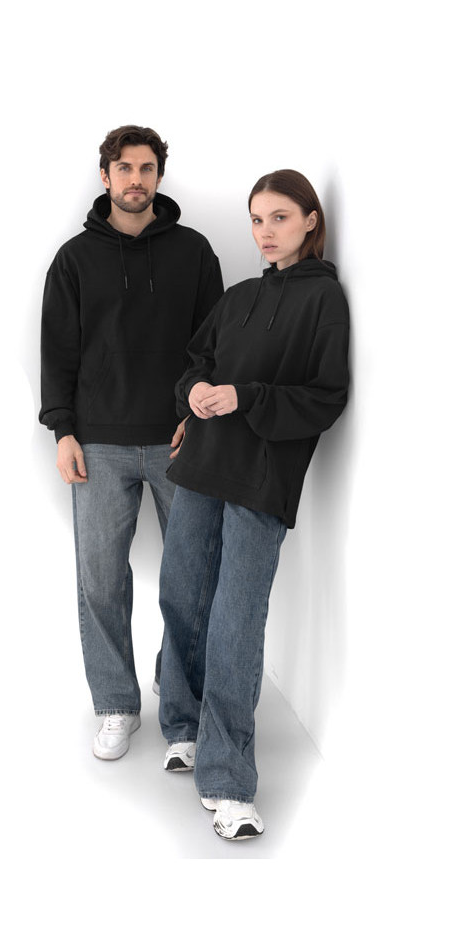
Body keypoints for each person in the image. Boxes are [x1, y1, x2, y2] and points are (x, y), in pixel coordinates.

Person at [157, 169, 349, 840]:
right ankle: (181, 725)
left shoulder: (325, 301)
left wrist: (247, 397)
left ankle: (229, 781)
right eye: (257, 220)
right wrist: (193, 394)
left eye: (279, 218)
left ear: (310, 220)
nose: (265, 232)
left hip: (263, 478)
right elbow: (194, 366)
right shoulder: (239, 296)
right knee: (182, 596)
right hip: (200, 468)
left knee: (235, 622)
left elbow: (326, 396)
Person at [39, 125, 224, 761]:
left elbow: (213, 347)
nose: (136, 180)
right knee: (100, 580)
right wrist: (63, 430)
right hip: (98, 443)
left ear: (159, 176)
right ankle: (117, 705)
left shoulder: (194, 253)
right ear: (106, 176)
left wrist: (197, 419)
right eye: (124, 168)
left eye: (146, 168)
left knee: (191, 580)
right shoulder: (74, 259)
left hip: (179, 441)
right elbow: (58, 351)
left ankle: (180, 696)